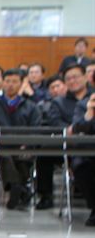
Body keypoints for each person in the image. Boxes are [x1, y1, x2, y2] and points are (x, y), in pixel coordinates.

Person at [0, 69, 42, 209]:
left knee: (20, 157)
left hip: (23, 147)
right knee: (4, 153)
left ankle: (17, 188)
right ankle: (19, 188)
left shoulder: (31, 107)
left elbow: (36, 129)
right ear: (2, 83)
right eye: (7, 81)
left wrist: (27, 144)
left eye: (15, 81)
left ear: (21, 84)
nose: (10, 85)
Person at [38, 64, 91, 209]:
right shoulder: (58, 101)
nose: (72, 81)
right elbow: (55, 122)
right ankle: (45, 196)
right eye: (68, 78)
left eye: (76, 77)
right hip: (68, 143)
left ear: (85, 77)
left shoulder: (92, 98)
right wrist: (73, 130)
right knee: (44, 153)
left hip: (90, 142)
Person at [69, 92, 95, 226]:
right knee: (80, 165)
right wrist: (89, 112)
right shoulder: (84, 104)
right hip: (89, 151)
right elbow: (77, 128)